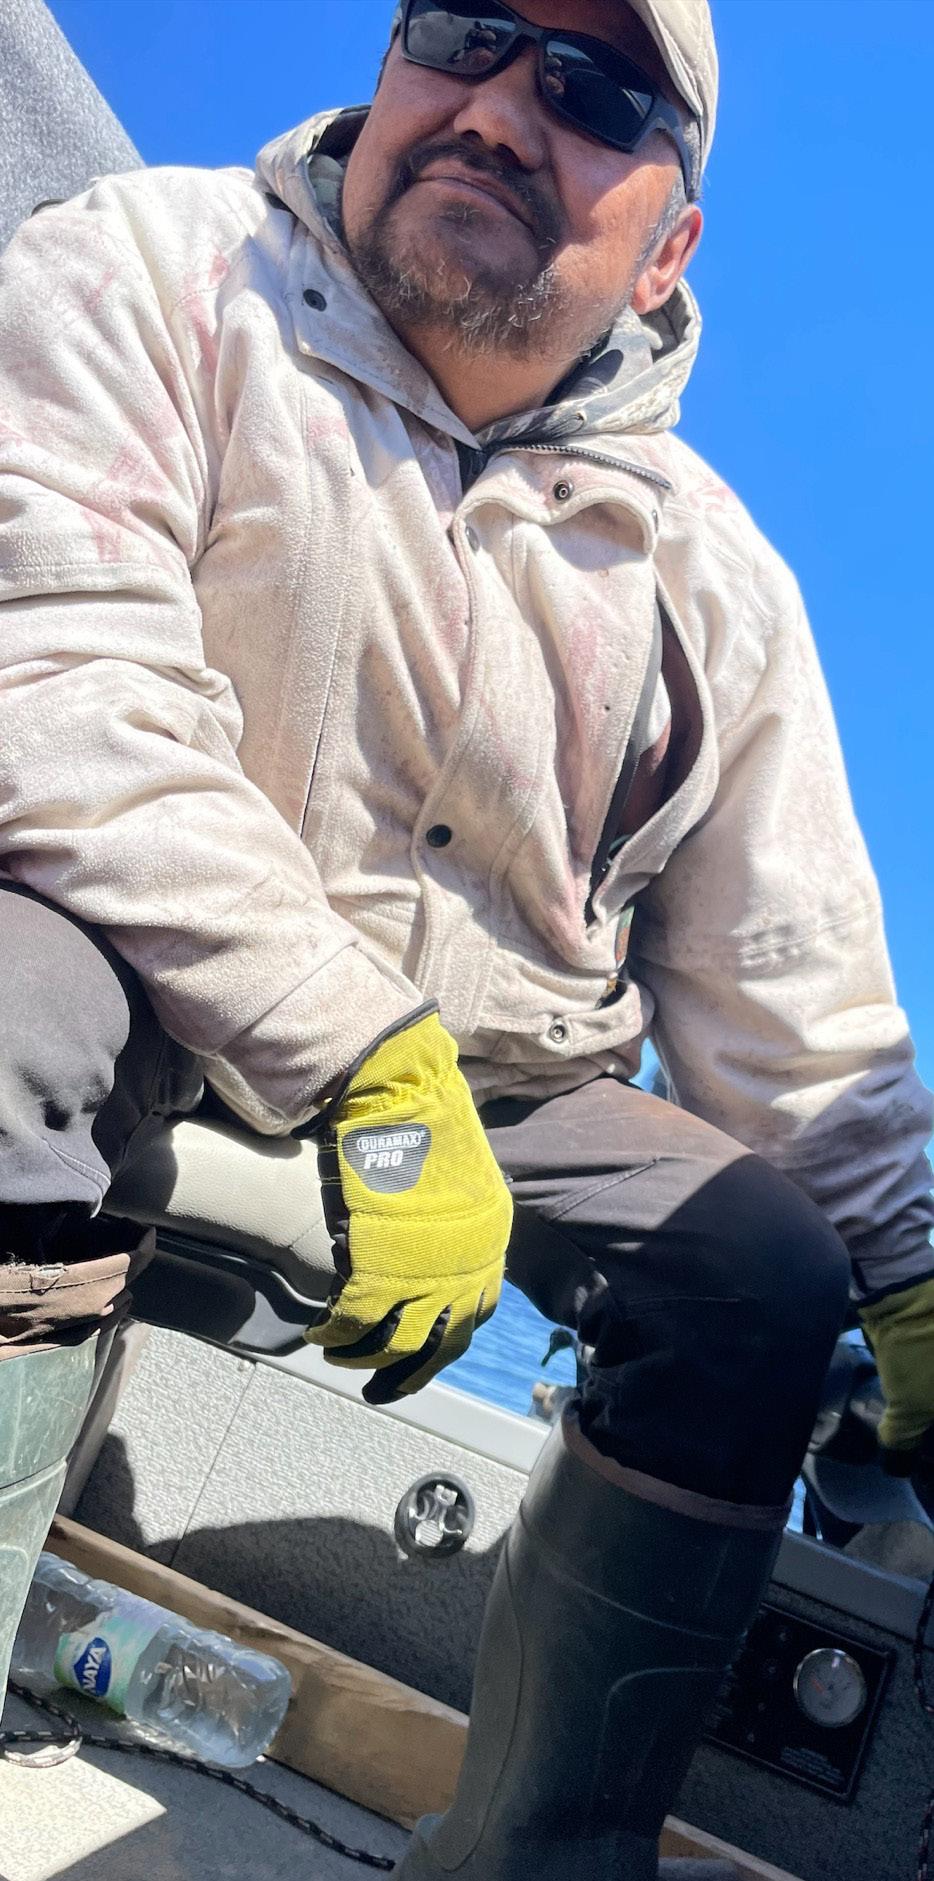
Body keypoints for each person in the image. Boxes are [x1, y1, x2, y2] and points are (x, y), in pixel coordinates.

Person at [0, 1, 932, 1873]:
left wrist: (907, 1271)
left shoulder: (717, 580)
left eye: (587, 90)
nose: (501, 107)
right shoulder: (152, 268)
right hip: (150, 959)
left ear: (665, 246)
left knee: (756, 1274)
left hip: (506, 1069)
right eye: (465, 34)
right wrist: (348, 1043)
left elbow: (787, 993)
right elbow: (62, 668)